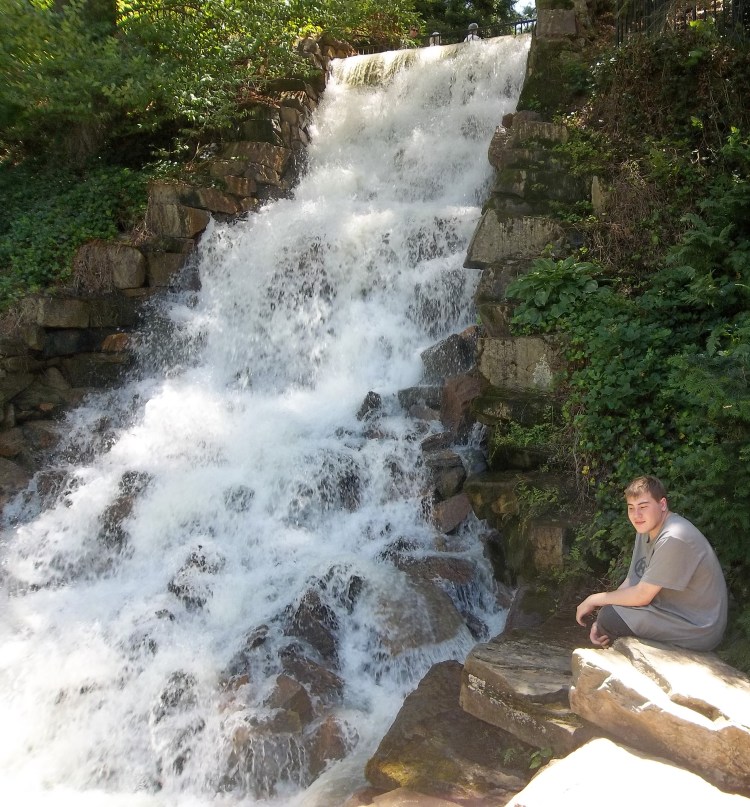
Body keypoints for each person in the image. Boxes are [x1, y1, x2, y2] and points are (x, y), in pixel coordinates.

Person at [575, 475, 728, 651]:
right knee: (609, 616)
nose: (636, 515)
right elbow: (632, 581)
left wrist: (595, 600)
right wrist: (603, 620)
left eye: (643, 507)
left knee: (611, 617)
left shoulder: (674, 537)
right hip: (667, 611)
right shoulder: (645, 529)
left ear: (662, 505)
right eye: (631, 508)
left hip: (697, 627)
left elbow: (642, 596)